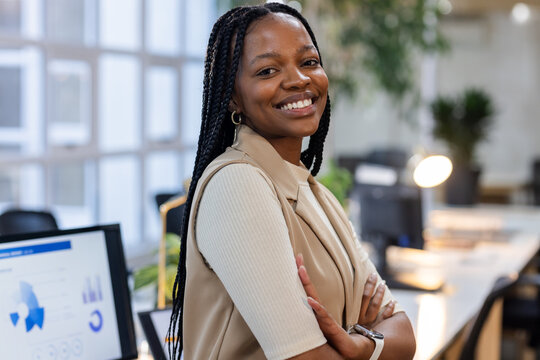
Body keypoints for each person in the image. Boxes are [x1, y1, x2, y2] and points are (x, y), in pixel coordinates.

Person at [168, 3, 416, 359]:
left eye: (309, 62)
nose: (299, 79)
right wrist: (372, 341)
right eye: (267, 70)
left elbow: (404, 333)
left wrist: (359, 346)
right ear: (233, 96)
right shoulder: (237, 185)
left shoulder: (315, 192)